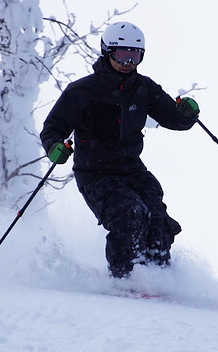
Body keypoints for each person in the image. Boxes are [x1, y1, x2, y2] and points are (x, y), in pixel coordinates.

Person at [40, 21, 200, 279]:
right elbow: (53, 128)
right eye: (122, 55)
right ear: (107, 52)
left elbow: (174, 119)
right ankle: (125, 279)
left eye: (135, 55)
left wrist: (187, 115)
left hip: (132, 171)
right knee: (130, 214)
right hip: (96, 174)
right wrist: (54, 147)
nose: (128, 62)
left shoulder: (144, 88)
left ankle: (158, 277)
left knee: (157, 217)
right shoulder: (82, 91)